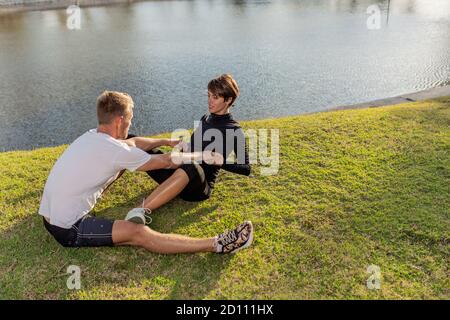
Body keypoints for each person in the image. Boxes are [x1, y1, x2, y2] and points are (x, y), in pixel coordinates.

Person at [38, 91, 253, 254]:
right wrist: (204, 156)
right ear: (120, 120)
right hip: (67, 228)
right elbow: (169, 161)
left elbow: (134, 143)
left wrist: (166, 141)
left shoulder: (91, 135)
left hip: (48, 217)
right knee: (138, 233)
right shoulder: (115, 150)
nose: (131, 123)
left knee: (125, 157)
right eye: (130, 119)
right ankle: (217, 244)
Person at [125, 74, 250, 224]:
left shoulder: (235, 130)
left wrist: (219, 161)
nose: (210, 101)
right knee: (132, 141)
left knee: (191, 166)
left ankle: (139, 211)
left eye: (215, 97)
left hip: (198, 188)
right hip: (179, 173)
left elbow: (246, 168)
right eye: (209, 95)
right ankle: (99, 184)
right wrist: (183, 146)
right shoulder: (206, 118)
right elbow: (194, 149)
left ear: (228, 100)